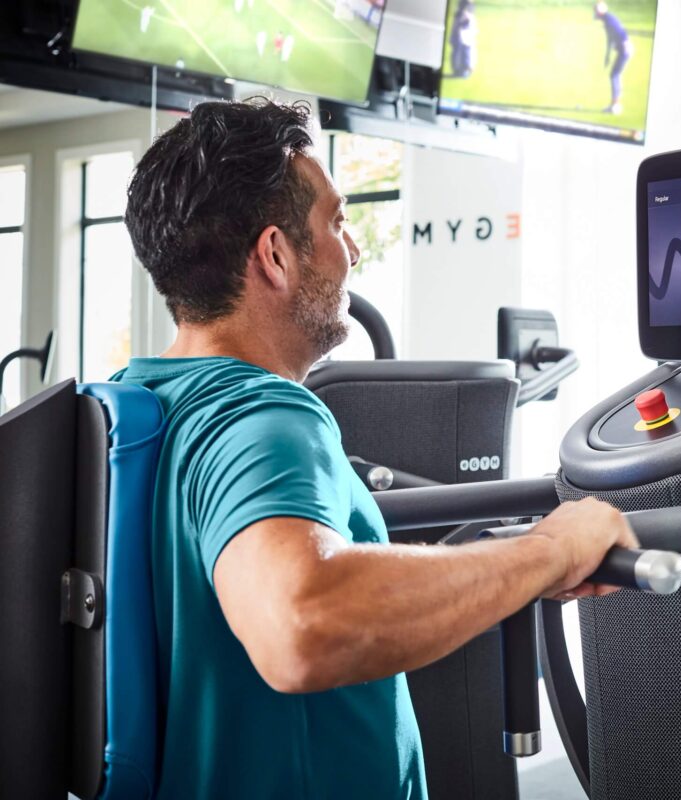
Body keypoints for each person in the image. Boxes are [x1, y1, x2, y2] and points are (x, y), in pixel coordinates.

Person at [119, 99, 637, 797]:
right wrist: (550, 552)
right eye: (334, 222)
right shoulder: (262, 415)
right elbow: (300, 622)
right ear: (274, 255)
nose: (353, 248)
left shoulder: (140, 402)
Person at [594, 2, 633, 114]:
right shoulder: (607, 20)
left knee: (614, 75)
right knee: (615, 75)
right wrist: (607, 56)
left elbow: (622, 33)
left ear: (600, 12)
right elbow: (609, 40)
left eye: (596, 10)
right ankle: (615, 104)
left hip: (625, 49)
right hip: (623, 50)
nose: (594, 13)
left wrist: (625, 45)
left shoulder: (609, 20)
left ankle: (616, 106)